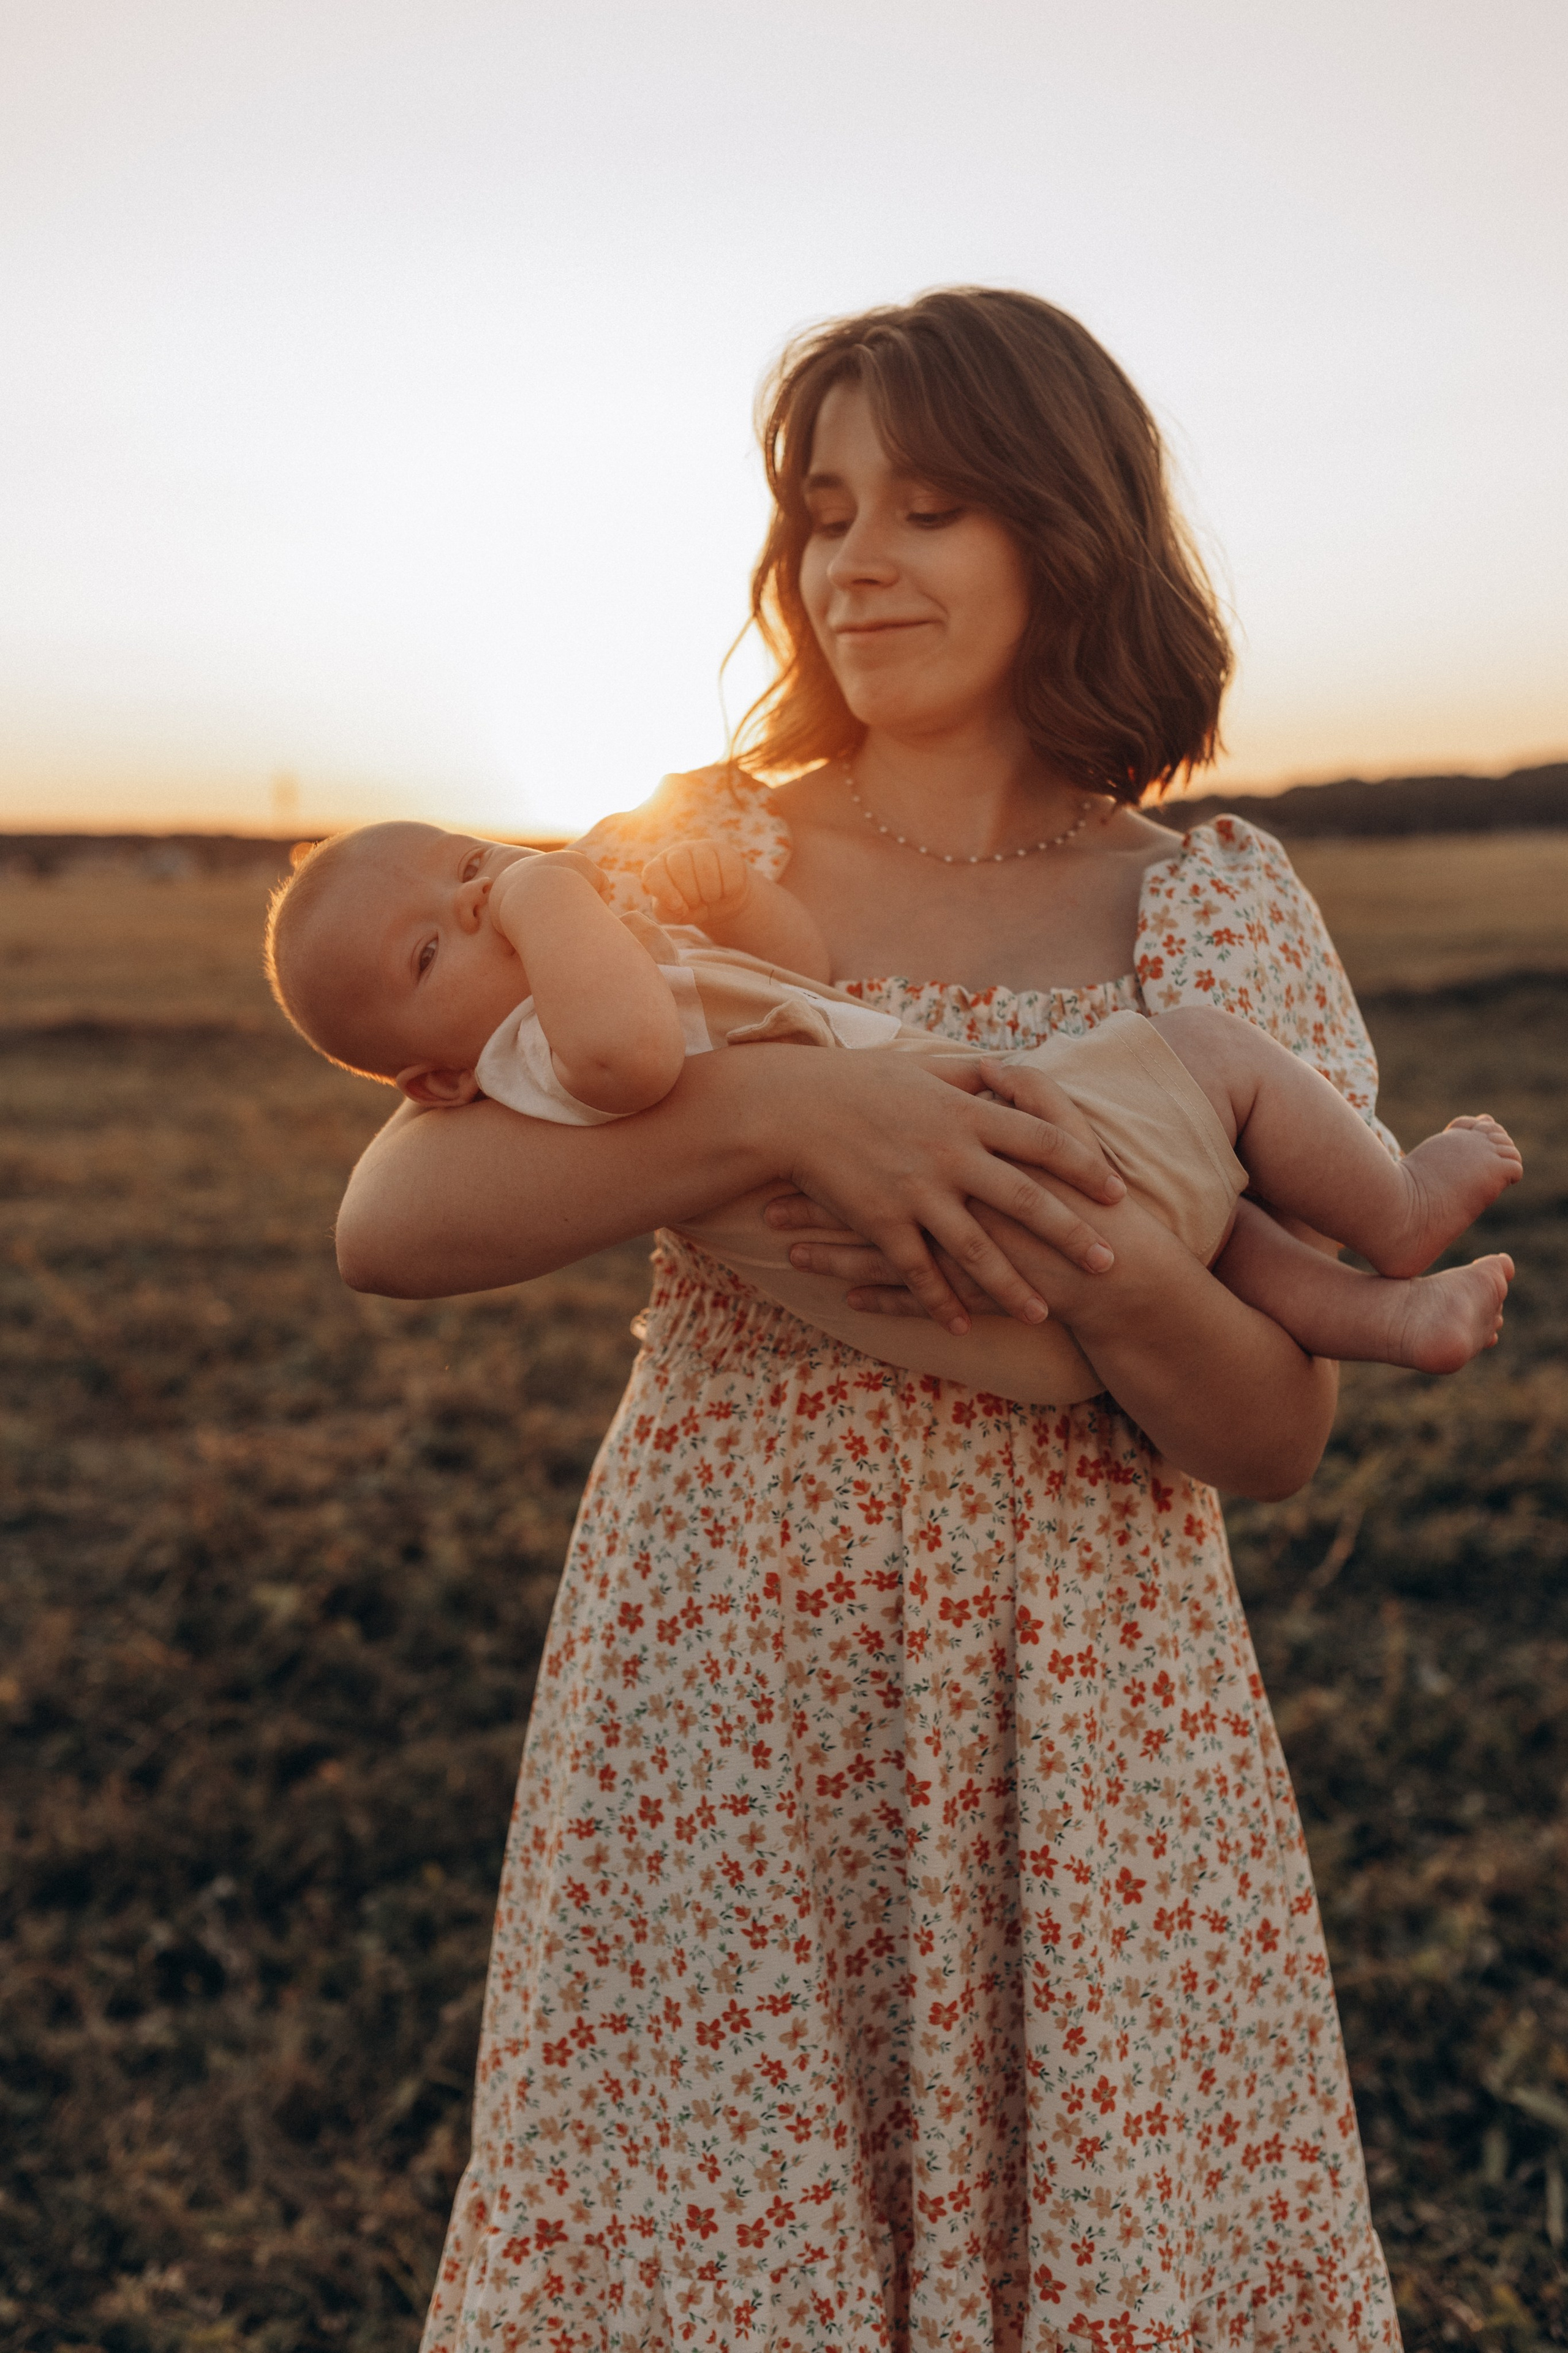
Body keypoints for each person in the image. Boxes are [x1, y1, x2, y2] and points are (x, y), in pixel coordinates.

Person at [333, 289, 1425, 2349]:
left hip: (1083, 1694)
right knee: (714, 2236)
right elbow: (398, 1208)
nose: (856, 562)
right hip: (724, 1678)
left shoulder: (1207, 908)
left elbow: (1273, 1432)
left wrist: (1068, 1249)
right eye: (822, 510)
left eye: (927, 507)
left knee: (1099, 2231)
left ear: (1067, 530)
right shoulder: (697, 850)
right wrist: (787, 1106)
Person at [271, 820, 1517, 1395]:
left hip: (1016, 1217)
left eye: (468, 864)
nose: (482, 902)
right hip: (963, 1202)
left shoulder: (602, 966)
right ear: (428, 1080)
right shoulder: (540, 1042)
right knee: (1203, 1057)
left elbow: (796, 980)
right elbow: (628, 1064)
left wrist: (734, 912)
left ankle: (1387, 1315)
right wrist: (545, 893)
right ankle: (1395, 1208)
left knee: (1228, 1224)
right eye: (428, 951)